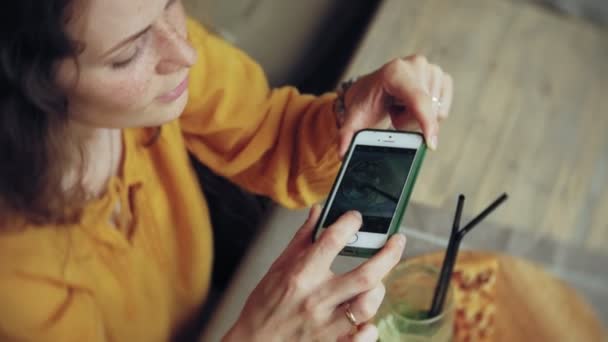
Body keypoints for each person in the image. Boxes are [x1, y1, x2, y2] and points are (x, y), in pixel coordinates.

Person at [0, 0, 453, 341]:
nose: (186, 52)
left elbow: (268, 133)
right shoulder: (13, 279)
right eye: (127, 55)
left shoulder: (154, 54)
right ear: (29, 88)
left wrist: (351, 113)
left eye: (171, 3)